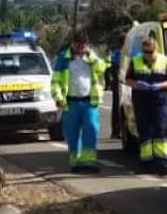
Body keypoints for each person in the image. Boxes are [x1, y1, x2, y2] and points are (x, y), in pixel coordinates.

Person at [50, 29, 107, 173]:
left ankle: (89, 162)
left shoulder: (92, 57)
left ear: (87, 45)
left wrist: (91, 57)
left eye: (83, 46)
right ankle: (76, 162)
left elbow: (102, 69)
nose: (81, 49)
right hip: (71, 102)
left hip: (89, 101)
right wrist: (57, 97)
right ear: (73, 44)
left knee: (91, 130)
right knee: (72, 133)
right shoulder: (63, 58)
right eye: (78, 46)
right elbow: (55, 81)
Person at [124, 34, 167, 174]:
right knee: (144, 131)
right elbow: (128, 80)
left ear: (156, 49)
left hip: (160, 100)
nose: (147, 55)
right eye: (145, 52)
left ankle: (162, 162)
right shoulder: (135, 62)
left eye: (150, 52)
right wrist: (138, 84)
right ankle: (146, 162)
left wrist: (159, 85)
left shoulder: (165, 61)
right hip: (142, 101)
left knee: (161, 129)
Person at [108, 39, 122, 139]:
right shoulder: (117, 55)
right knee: (118, 107)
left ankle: (116, 131)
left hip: (119, 84)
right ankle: (116, 131)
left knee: (117, 107)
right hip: (120, 84)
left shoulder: (115, 54)